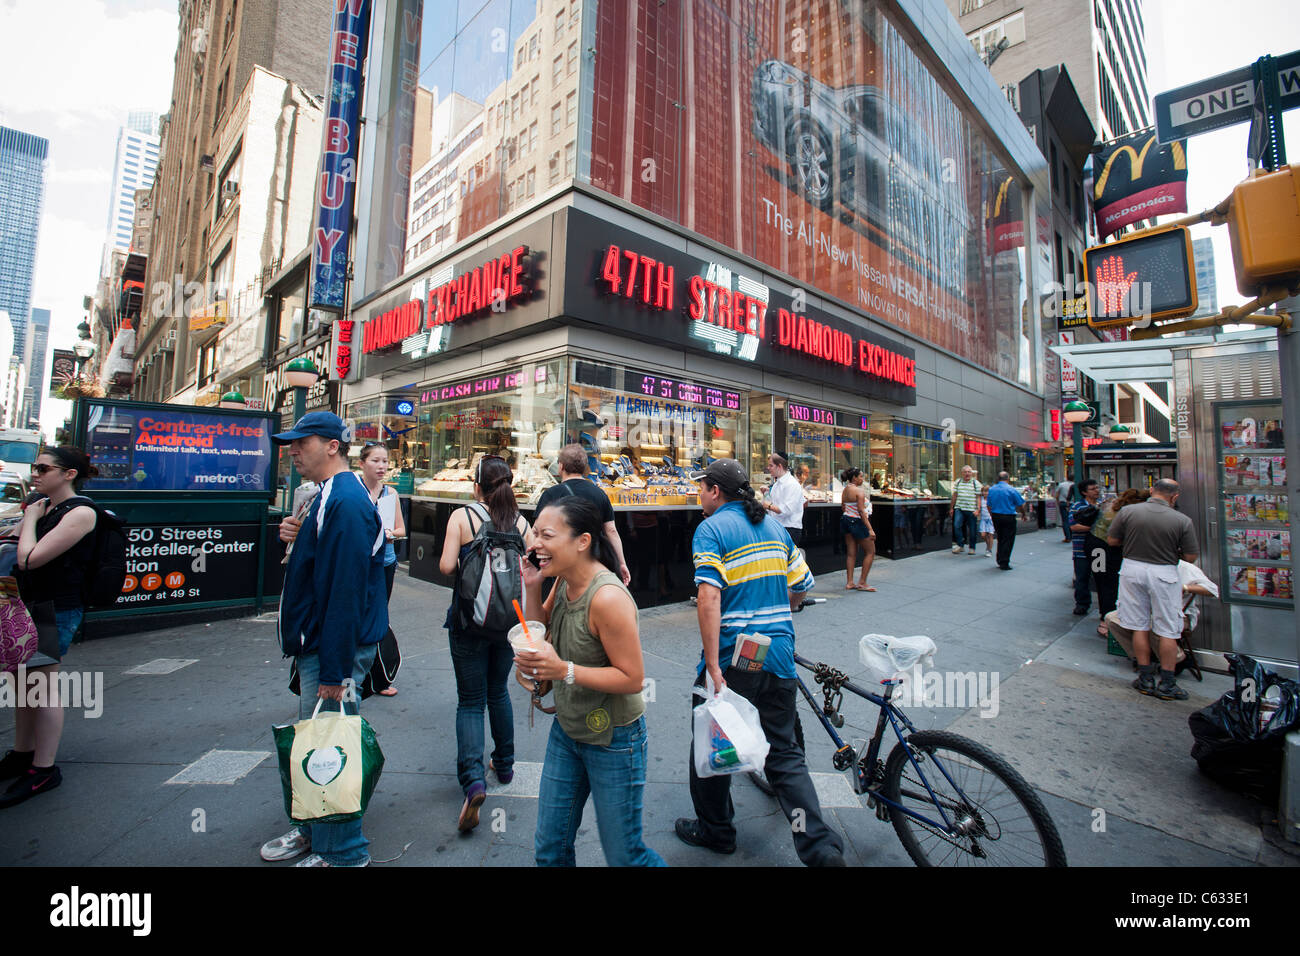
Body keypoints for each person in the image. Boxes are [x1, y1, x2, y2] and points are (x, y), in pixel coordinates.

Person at [675, 459, 846, 866]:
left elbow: (709, 597)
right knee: (784, 754)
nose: (700, 495)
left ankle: (717, 831)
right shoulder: (774, 529)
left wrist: (714, 665)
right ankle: (818, 845)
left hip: (736, 657)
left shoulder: (711, 529)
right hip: (779, 655)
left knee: (713, 744)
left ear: (716, 491)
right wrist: (775, 612)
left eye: (703, 488)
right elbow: (803, 586)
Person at [260, 412, 387, 866]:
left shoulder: (346, 500)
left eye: (302, 442)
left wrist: (333, 670)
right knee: (320, 739)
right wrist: (296, 536)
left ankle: (343, 851)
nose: (293, 451)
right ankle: (313, 832)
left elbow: (345, 591)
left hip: (334, 650)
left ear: (333, 445)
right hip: (321, 644)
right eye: (291, 444)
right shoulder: (326, 495)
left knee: (330, 747)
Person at [513, 496, 664, 866]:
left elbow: (633, 678)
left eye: (546, 535)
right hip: (568, 731)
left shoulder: (608, 598)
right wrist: (532, 587)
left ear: (582, 541)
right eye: (535, 534)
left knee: (626, 856)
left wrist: (561, 670)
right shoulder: (562, 581)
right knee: (550, 850)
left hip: (615, 740)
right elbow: (538, 629)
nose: (535, 544)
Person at [439, 454, 533, 831]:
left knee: (470, 701)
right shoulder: (522, 523)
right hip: (507, 627)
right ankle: (506, 766)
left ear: (477, 487)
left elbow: (446, 567)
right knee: (499, 692)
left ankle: (474, 781)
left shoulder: (463, 518)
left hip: (468, 624)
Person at [2, 448, 99, 808]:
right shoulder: (48, 508)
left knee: (42, 685)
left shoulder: (80, 512)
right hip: (28, 604)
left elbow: (30, 558)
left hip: (54, 608)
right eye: (35, 467)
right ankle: (22, 752)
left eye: (43, 468)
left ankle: (43, 768)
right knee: (22, 681)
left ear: (69, 473)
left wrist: (27, 521)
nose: (37, 474)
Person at [1107, 478, 1199, 701]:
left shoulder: (1128, 512)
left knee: (1138, 624)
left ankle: (1145, 677)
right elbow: (1190, 556)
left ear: (1151, 491)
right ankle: (1167, 682)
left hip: (1132, 569)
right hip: (1164, 572)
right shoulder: (1182, 520)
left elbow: (1112, 540)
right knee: (1167, 627)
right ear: (1174, 496)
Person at [535, 443, 630, 585]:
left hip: (561, 563)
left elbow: (536, 531)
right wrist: (621, 563)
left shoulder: (551, 494)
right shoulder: (599, 493)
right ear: (585, 467)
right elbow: (611, 531)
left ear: (561, 466)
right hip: (592, 562)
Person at [359, 441, 405, 696]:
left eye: (385, 461)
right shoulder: (355, 492)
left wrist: (390, 533)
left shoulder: (391, 494)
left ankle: (379, 677)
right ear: (362, 463)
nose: (381, 466)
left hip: (384, 562)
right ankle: (358, 673)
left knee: (379, 617)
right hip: (361, 562)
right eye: (375, 460)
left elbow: (401, 529)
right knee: (358, 615)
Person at [1089, 488, 1147, 636]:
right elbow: (1114, 539)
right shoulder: (1126, 512)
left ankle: (1107, 618)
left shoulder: (1113, 505)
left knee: (1104, 582)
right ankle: (1106, 621)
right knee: (1107, 583)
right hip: (1102, 548)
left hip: (1095, 546)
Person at [1068, 479, 1102, 615]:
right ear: (1084, 492)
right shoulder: (1077, 506)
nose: (1096, 491)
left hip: (1099, 550)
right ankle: (1082, 604)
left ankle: (1104, 605)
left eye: (1097, 488)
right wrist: (1094, 529)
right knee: (1082, 577)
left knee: (1101, 577)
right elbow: (1073, 525)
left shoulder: (1103, 505)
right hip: (1081, 550)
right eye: (1093, 489)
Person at [840, 467, 876, 590]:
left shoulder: (845, 490)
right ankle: (862, 582)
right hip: (857, 522)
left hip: (846, 521)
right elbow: (861, 511)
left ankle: (850, 582)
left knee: (851, 553)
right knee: (871, 552)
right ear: (854, 478)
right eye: (861, 476)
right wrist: (870, 529)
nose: (862, 479)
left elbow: (843, 507)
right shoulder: (859, 492)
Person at [763, 451, 805, 547]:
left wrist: (768, 506)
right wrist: (765, 494)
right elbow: (772, 503)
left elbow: (786, 510)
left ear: (780, 466)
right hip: (778, 527)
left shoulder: (791, 484)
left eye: (771, 465)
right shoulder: (777, 483)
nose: (768, 468)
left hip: (789, 529)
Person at [987, 471, 1025, 570]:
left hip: (996, 516)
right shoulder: (1011, 489)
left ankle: (1000, 558)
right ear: (1007, 479)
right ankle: (1004, 561)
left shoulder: (992, 489)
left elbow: (989, 505)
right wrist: (1024, 514)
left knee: (1000, 537)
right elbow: (1020, 503)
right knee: (1008, 539)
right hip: (1008, 516)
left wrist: (992, 515)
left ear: (998, 479)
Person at [949, 465, 981, 555]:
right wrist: (951, 508)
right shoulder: (958, 482)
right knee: (956, 526)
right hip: (959, 508)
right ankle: (960, 545)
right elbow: (954, 495)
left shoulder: (976, 483)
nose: (967, 474)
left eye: (969, 472)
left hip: (971, 509)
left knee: (972, 529)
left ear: (971, 473)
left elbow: (978, 497)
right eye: (965, 472)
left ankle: (972, 547)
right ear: (962, 473)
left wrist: (978, 509)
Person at [1055, 477, 1076, 542]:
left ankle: (1068, 537)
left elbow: (1056, 495)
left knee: (1065, 521)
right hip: (1073, 503)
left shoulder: (1061, 484)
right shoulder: (1075, 485)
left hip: (1063, 503)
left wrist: (1058, 502)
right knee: (1072, 520)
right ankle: (1072, 536)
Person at [977, 486, 995, 556]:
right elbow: (978, 507)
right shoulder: (981, 499)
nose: (986, 493)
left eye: (987, 491)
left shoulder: (991, 499)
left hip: (990, 519)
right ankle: (988, 546)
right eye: (984, 491)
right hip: (983, 519)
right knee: (983, 535)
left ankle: (989, 550)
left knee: (990, 534)